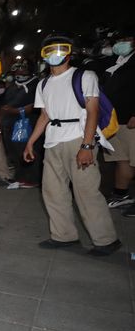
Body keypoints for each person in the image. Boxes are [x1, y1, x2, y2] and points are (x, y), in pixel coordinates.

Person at [23, 33, 121, 255]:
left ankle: (106, 240)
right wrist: (31, 142)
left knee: (86, 191)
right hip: (52, 141)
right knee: (53, 192)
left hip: (78, 137)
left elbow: (93, 110)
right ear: (43, 55)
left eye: (59, 49)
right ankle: (64, 235)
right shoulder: (44, 83)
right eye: (49, 50)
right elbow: (44, 116)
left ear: (69, 52)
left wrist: (86, 146)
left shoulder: (84, 76)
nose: (54, 55)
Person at [100, 28, 135, 212]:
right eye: (118, 40)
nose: (121, 43)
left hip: (131, 120)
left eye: (126, 39)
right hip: (116, 120)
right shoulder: (116, 63)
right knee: (122, 159)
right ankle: (122, 195)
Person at [0, 60, 41, 189]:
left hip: (26, 122)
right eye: (17, 68)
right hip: (9, 123)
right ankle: (20, 176)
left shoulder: (35, 84)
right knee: (14, 151)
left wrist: (17, 111)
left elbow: (36, 105)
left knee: (28, 149)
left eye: (23, 68)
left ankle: (33, 178)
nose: (19, 70)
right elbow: (2, 106)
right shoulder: (11, 86)